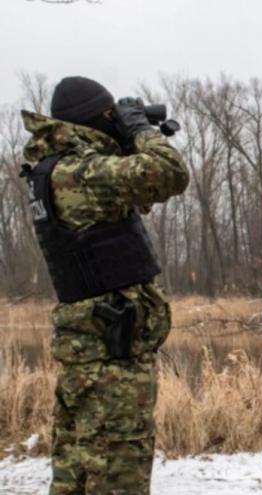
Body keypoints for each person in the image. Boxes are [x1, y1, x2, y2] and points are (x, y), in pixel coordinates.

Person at [20, 76, 189, 495]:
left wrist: (127, 140)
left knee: (76, 473)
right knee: (118, 474)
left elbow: (135, 198)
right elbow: (170, 173)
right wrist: (140, 131)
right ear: (99, 120)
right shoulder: (81, 171)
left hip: (91, 352)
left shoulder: (56, 170)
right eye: (112, 117)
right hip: (111, 357)